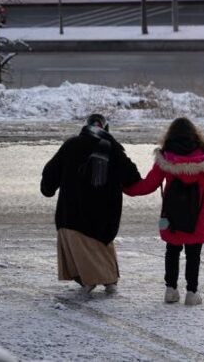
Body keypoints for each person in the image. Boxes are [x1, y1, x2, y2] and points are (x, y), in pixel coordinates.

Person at [124, 117, 204, 305]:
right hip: (197, 218)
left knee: (172, 250)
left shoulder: (165, 158)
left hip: (170, 217)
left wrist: (125, 187)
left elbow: (149, 185)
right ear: (195, 135)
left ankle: (170, 290)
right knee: (194, 255)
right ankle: (192, 293)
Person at [41, 114, 141, 295]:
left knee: (80, 247)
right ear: (106, 129)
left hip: (72, 213)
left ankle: (88, 279)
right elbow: (132, 177)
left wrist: (48, 189)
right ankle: (109, 281)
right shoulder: (112, 148)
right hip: (103, 216)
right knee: (101, 246)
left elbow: (50, 173)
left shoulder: (71, 145)